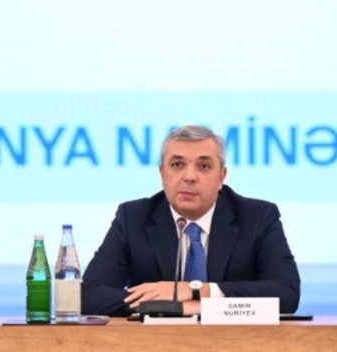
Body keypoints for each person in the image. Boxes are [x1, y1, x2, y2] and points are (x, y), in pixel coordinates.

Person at [80, 125, 301, 317]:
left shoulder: (257, 217)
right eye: (178, 165)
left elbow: (286, 294)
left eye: (204, 166)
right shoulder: (134, 217)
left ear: (221, 177)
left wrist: (197, 291)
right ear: (161, 173)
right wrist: (169, 307)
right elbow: (89, 294)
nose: (190, 177)